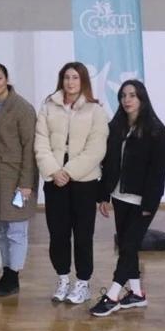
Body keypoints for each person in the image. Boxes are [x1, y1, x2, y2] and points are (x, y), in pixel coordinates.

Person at [89, 80, 165, 317]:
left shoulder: (156, 130)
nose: (127, 100)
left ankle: (112, 295)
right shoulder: (117, 126)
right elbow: (109, 164)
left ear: (142, 98)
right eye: (123, 95)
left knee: (128, 247)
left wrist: (150, 203)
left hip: (143, 200)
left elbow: (158, 170)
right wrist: (103, 195)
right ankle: (136, 293)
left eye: (132, 95)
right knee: (127, 246)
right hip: (120, 197)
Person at [35, 62, 109, 307]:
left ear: (83, 81)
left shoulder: (95, 110)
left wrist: (68, 171)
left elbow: (97, 148)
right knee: (58, 233)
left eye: (75, 77)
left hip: (84, 182)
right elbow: (41, 143)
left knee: (83, 234)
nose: (70, 82)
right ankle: (63, 279)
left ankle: (83, 283)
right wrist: (54, 171)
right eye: (66, 77)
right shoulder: (48, 107)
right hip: (54, 180)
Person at [0, 63, 37, 298]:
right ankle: (6, 271)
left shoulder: (22, 108)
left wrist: (26, 183)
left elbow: (30, 147)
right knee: (2, 228)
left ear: (6, 79)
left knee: (16, 229)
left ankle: (14, 275)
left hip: (16, 176)